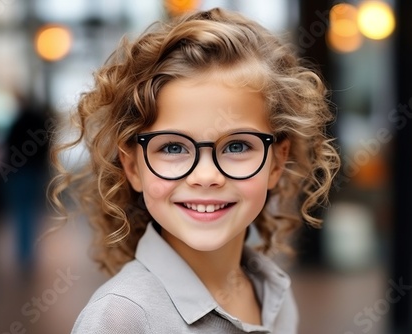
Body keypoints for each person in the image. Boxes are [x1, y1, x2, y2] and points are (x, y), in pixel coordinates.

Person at [50, 7, 340, 334]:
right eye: (173, 148)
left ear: (276, 161)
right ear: (133, 166)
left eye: (236, 146)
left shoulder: (274, 293)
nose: (205, 176)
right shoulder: (120, 318)